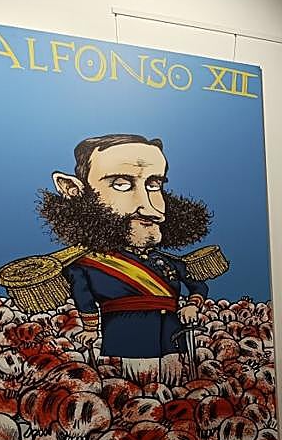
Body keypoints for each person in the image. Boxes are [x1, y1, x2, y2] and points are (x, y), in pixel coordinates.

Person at [38, 133, 213, 384]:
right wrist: (90, 329)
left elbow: (196, 285)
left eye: (154, 185)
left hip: (173, 342)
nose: (151, 208)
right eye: (121, 184)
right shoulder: (86, 265)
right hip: (126, 346)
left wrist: (192, 305)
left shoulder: (168, 262)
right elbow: (84, 299)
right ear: (74, 191)